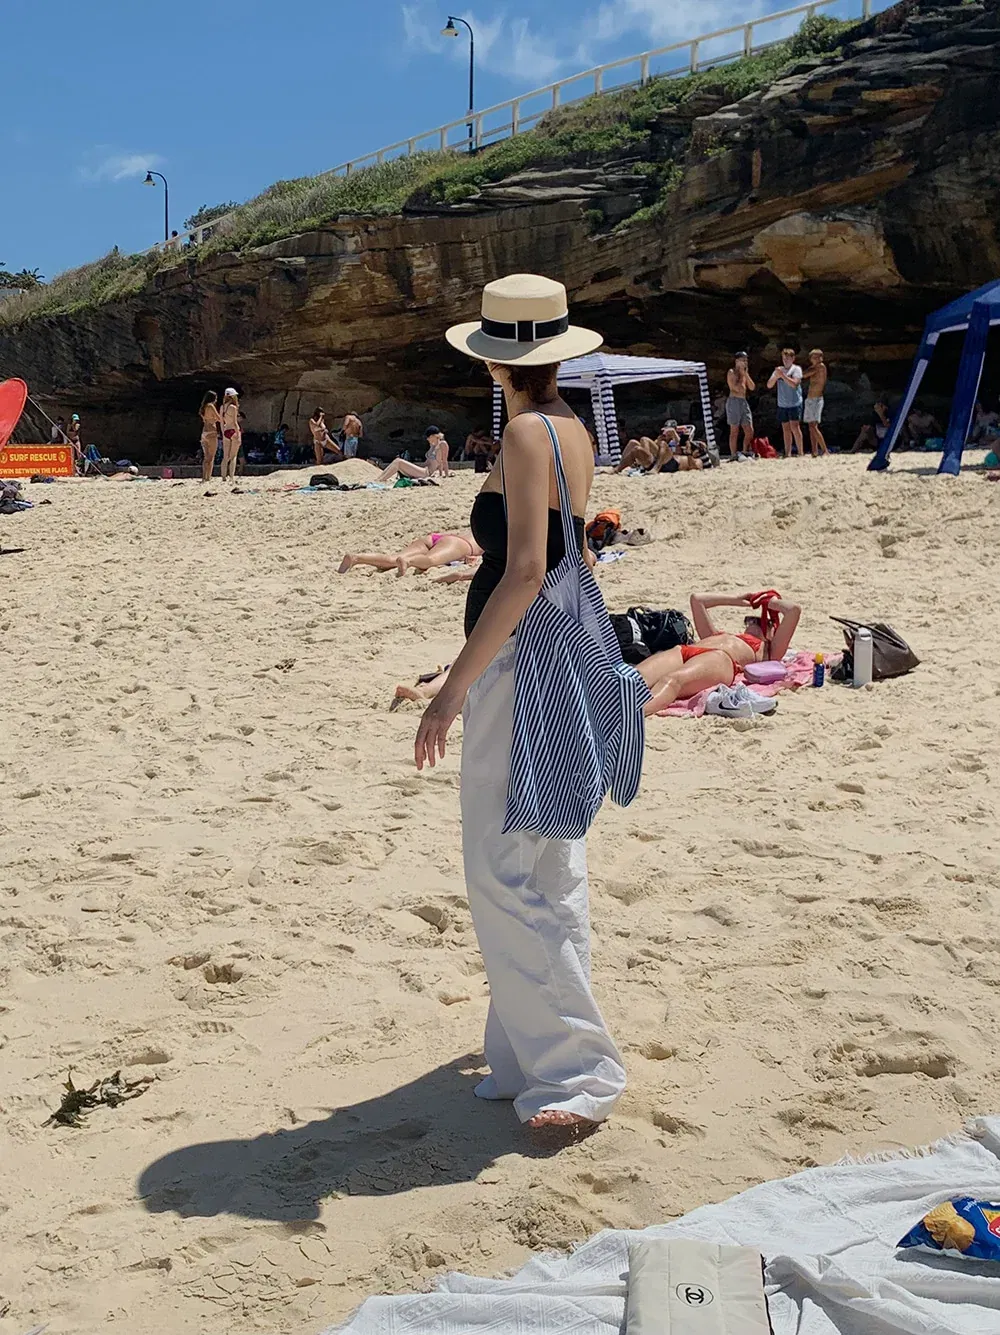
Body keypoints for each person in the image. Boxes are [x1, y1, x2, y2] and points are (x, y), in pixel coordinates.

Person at [415, 272, 633, 1139]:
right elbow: (569, 556)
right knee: (549, 860)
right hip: (563, 650)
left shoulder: (523, 434)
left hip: (521, 661)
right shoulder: (572, 425)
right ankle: (520, 1054)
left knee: (502, 867)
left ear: (493, 360)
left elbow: (527, 570)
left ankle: (577, 1068)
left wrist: (450, 689)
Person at [639, 591, 801, 714]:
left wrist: (771, 602)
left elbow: (794, 610)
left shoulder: (770, 650)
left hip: (721, 659)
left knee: (671, 681)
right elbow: (697, 600)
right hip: (686, 650)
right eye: (750, 619)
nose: (753, 622)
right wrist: (737, 600)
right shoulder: (716, 635)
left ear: (774, 632)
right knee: (635, 677)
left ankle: (635, 715)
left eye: (763, 622)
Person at [338, 530, 482, 576]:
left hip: (436, 537)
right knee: (430, 560)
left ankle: (356, 558)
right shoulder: (492, 535)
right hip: (460, 545)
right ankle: (409, 562)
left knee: (392, 559)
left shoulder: (473, 528)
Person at [767, 347, 804, 458]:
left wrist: (782, 376)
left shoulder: (796, 369)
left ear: (793, 358)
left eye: (788, 358)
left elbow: (794, 384)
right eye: (784, 359)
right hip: (782, 404)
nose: (785, 361)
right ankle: (788, 453)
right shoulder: (779, 370)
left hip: (794, 403)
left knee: (795, 427)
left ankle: (800, 452)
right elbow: (769, 385)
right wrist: (776, 376)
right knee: (785, 429)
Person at [725, 352, 755, 459]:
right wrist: (741, 376)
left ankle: (745, 450)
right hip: (734, 401)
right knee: (734, 430)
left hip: (743, 401)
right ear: (737, 361)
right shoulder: (731, 372)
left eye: (746, 360)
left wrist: (745, 374)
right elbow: (735, 388)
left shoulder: (744, 374)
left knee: (749, 430)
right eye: (743, 360)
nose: (745, 362)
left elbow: (752, 387)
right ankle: (733, 454)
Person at [800, 349, 829, 457]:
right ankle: (814, 451)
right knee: (811, 426)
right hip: (810, 399)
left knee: (813, 426)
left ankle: (825, 450)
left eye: (818, 357)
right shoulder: (814, 367)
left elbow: (804, 375)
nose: (817, 359)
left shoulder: (821, 367)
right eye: (814, 357)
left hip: (816, 399)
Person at [199, 391, 221, 483]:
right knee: (211, 456)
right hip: (211, 431)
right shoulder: (211, 406)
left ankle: (204, 477)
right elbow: (219, 418)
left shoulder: (203, 408)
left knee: (206, 457)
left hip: (204, 432)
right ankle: (208, 477)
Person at [220, 388, 242, 481]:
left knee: (225, 457)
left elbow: (221, 422)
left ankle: (223, 476)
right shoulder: (233, 407)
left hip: (226, 431)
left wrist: (223, 432)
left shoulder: (222, 407)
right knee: (233, 456)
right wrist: (238, 433)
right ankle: (231, 477)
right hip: (233, 431)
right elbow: (235, 422)